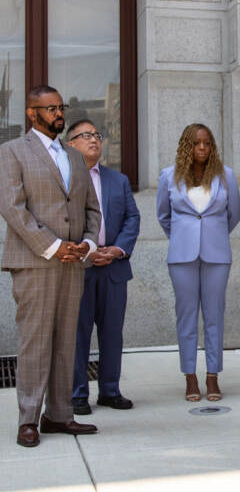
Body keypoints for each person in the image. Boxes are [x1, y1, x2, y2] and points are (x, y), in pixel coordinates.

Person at [0, 85, 100, 447]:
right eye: (51, 108)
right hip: (35, 262)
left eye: (61, 107)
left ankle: (59, 414)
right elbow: (13, 209)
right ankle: (28, 418)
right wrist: (55, 246)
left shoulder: (74, 157)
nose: (59, 113)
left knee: (65, 341)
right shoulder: (12, 152)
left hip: (73, 264)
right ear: (31, 113)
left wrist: (87, 245)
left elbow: (91, 208)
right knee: (35, 342)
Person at [157, 123, 240, 402]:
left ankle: (213, 376)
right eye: (196, 143)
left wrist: (212, 236)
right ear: (186, 147)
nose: (202, 148)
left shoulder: (225, 176)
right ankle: (190, 376)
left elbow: (234, 215)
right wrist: (185, 237)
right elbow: (163, 216)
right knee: (187, 317)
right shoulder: (169, 177)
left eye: (207, 143)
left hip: (217, 255)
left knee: (215, 315)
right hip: (182, 256)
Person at [67, 119, 140, 415]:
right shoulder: (65, 179)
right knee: (78, 333)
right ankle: (77, 394)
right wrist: (87, 251)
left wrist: (116, 250)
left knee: (112, 333)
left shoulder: (117, 180)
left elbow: (132, 219)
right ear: (70, 144)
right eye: (85, 136)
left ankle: (110, 390)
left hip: (113, 268)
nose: (94, 140)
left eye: (96, 135)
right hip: (78, 268)